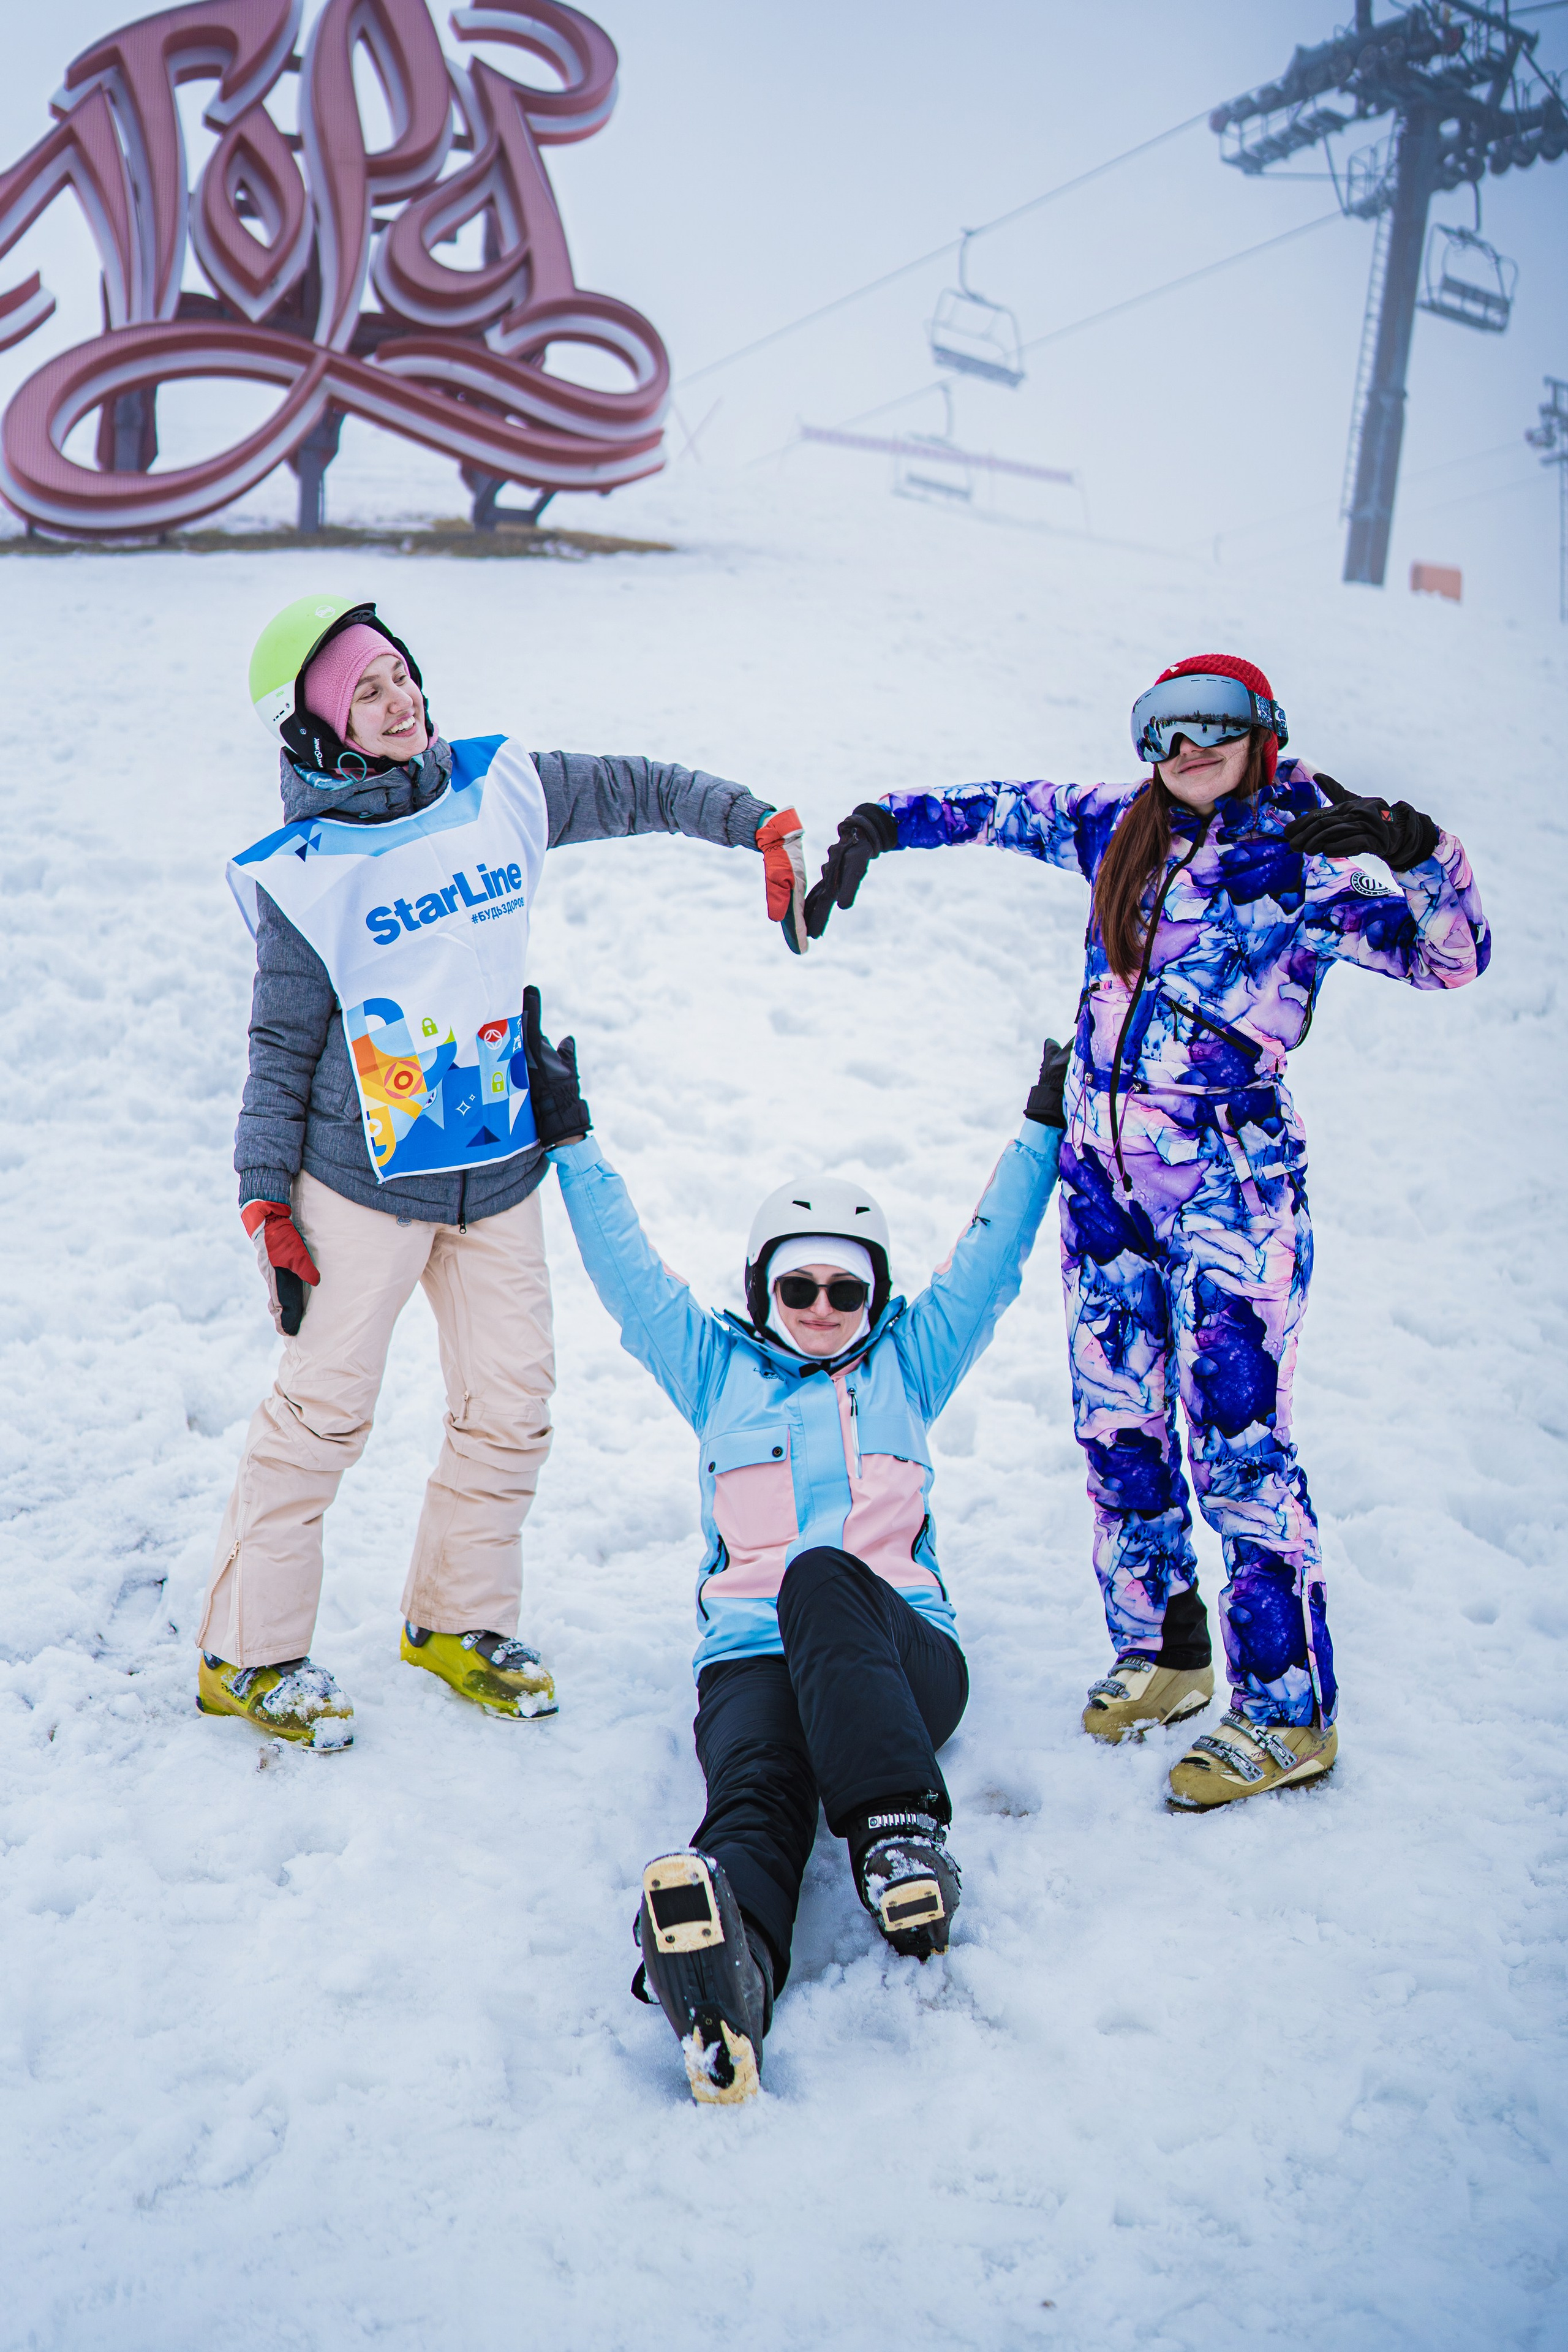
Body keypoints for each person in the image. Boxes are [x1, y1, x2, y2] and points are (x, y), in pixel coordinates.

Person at [802, 654, 1489, 1809]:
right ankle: (1165, 1650)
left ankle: (1287, 1715)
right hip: (1105, 1179)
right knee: (1118, 1424)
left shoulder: (1309, 853)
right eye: (1162, 731)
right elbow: (1000, 810)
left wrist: (1419, 853)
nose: (1186, 750)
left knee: (1237, 1449)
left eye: (1212, 726)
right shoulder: (1123, 828)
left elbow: (1452, 960)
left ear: (1261, 730)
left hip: (1231, 1186)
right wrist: (879, 827)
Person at [198, 592, 811, 1752]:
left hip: (500, 1163)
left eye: (401, 673)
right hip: (361, 1184)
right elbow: (281, 1042)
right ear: (324, 727)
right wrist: (265, 1196)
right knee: (323, 1413)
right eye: (364, 691)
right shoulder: (307, 871)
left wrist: (755, 825)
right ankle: (248, 1652)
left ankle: (457, 1623)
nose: (399, 700)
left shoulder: (503, 788)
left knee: (511, 1404)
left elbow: (641, 788)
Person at [522, 1002, 1068, 2101]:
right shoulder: (716, 1372)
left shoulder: (910, 1368)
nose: (823, 1309)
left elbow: (990, 1260)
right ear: (764, 1290)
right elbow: (631, 1282)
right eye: (799, 1288)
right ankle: (729, 1981)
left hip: (901, 1665)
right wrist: (571, 1140)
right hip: (754, 1663)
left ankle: (901, 1840)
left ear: (875, 1297)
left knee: (823, 1573)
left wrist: (1043, 1128)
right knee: (754, 1797)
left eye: (847, 1289)